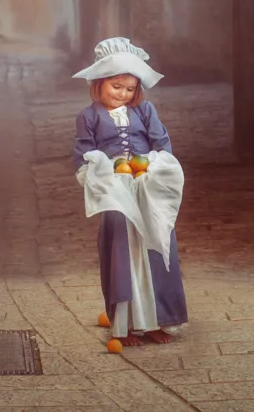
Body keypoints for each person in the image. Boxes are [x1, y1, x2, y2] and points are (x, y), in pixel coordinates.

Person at [72, 37, 188, 346]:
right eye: (116, 86)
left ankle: (156, 321)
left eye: (130, 88)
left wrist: (153, 165)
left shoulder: (145, 111)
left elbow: (161, 143)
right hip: (116, 194)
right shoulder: (88, 117)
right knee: (123, 255)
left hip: (145, 188)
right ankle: (125, 326)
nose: (123, 94)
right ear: (99, 84)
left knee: (155, 248)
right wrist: (99, 170)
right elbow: (84, 154)